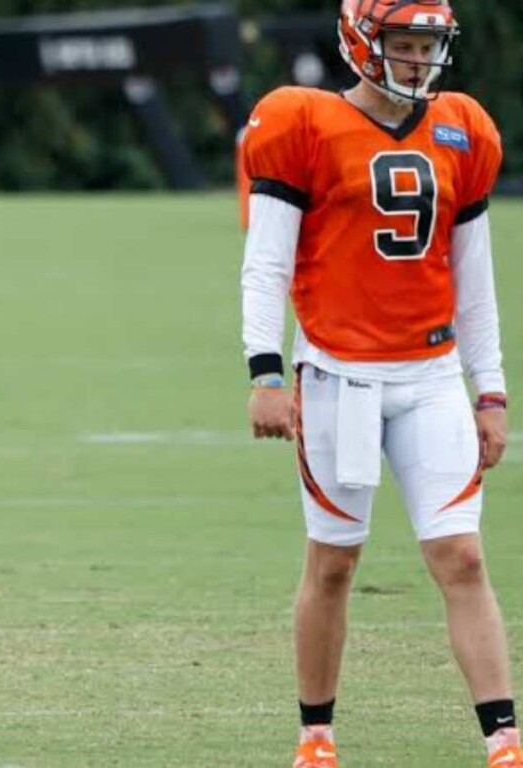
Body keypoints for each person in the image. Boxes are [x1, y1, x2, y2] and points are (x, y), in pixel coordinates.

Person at [240, 1, 514, 766]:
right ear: (363, 41)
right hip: (339, 376)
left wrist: (488, 390)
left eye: (428, 43)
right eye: (402, 42)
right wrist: (265, 369)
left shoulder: (462, 127)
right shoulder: (303, 124)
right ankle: (317, 736)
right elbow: (266, 261)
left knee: (462, 556)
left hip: (429, 376)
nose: (418, 59)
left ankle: (504, 739)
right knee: (333, 560)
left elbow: (475, 278)